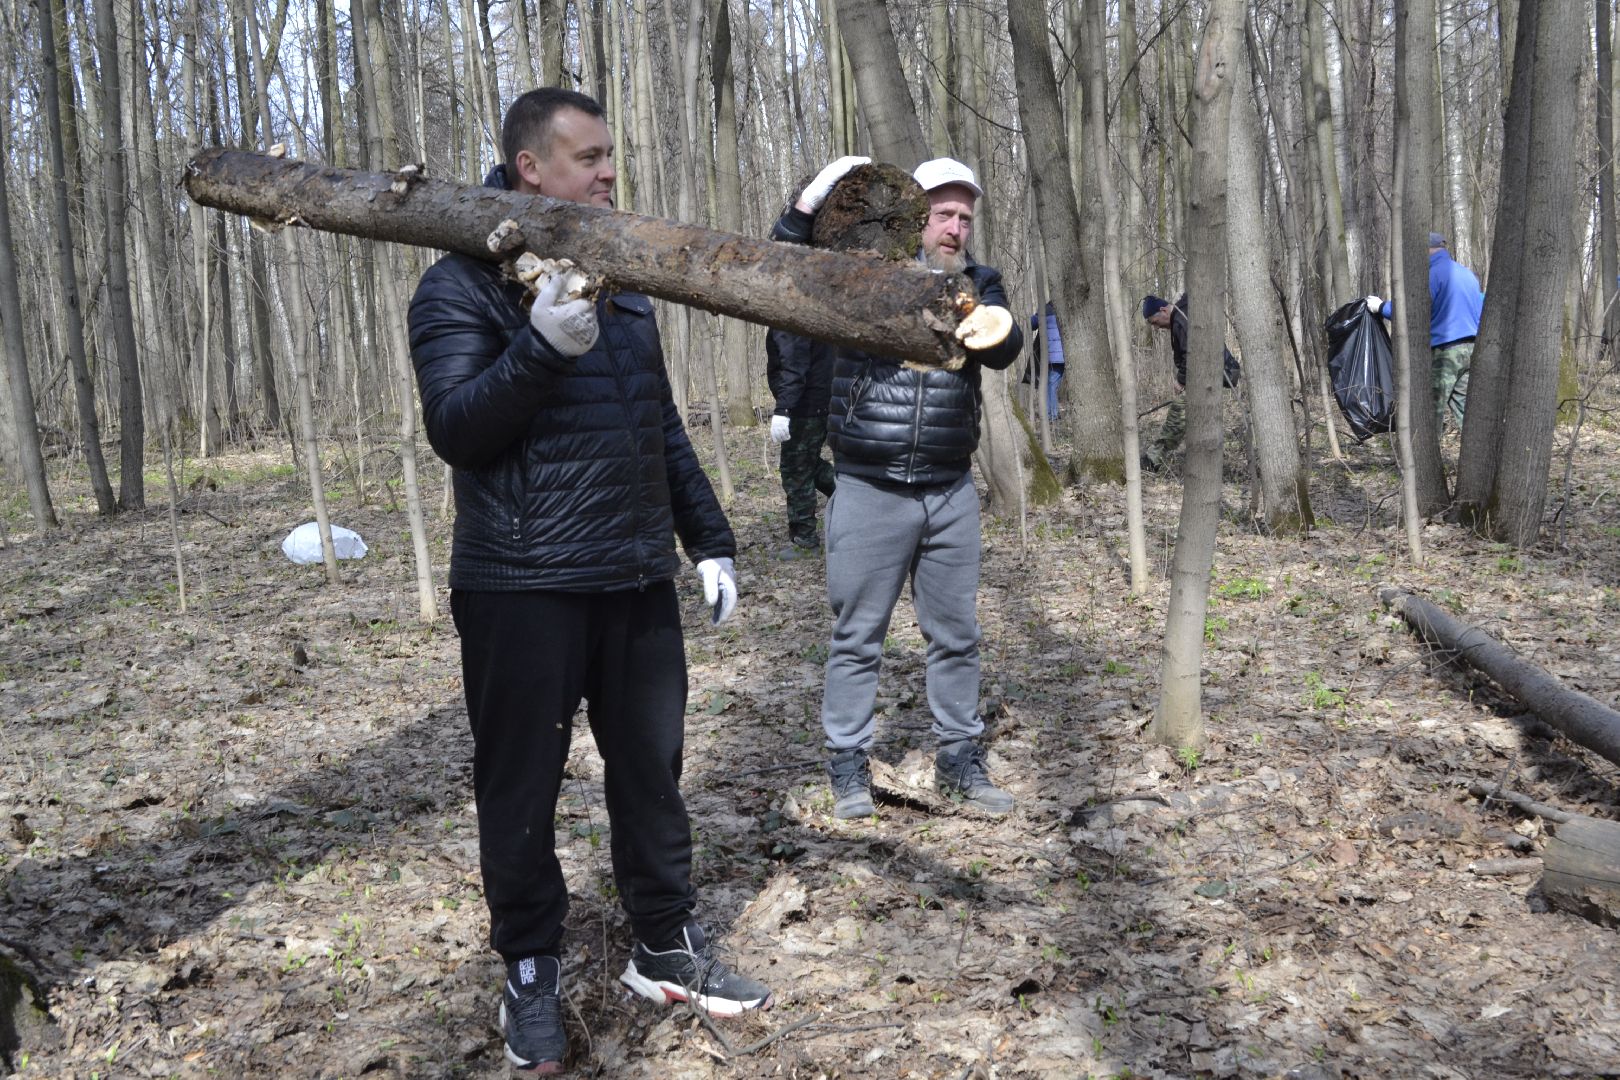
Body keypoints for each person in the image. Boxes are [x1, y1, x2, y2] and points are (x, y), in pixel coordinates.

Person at [408, 87, 771, 1075]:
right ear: (531, 168)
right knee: (520, 785)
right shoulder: (457, 287)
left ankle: (665, 945)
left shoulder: (623, 280)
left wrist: (710, 538)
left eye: (611, 154)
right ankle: (529, 969)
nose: (610, 172)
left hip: (634, 575)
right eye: (589, 157)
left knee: (651, 768)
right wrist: (537, 349)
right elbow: (458, 430)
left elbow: (656, 423)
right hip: (521, 585)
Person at [771, 155, 1024, 819]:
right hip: (868, 487)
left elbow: (1006, 344)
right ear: (914, 215)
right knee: (858, 637)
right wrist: (806, 207)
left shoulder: (978, 283)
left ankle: (960, 762)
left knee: (957, 635)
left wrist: (980, 318)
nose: (955, 228)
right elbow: (784, 268)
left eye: (965, 217)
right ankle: (847, 767)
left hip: (949, 490)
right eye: (942, 214)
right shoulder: (861, 278)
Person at [1366, 231, 1483, 431]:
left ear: (1427, 250)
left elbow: (1411, 310)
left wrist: (1381, 307)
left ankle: (1428, 452)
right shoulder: (1467, 274)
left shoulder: (1431, 276)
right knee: (1466, 411)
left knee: (1430, 412)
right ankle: (1478, 450)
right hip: (1472, 350)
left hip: (1446, 352)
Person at [1139, 292, 1240, 472]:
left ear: (1163, 310)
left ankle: (1152, 461)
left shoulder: (1182, 319)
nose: (1157, 327)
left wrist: (1181, 380)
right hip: (1215, 371)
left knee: (1179, 411)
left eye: (1155, 322)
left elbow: (1193, 354)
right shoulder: (1183, 314)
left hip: (1219, 370)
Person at [766, 327, 837, 559]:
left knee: (796, 470)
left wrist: (784, 409)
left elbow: (793, 364)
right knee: (807, 465)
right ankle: (854, 498)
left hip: (805, 405)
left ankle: (805, 540)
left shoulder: (789, 322)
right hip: (817, 401)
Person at [1025, 301, 1066, 422]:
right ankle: (1051, 415)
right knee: (1051, 385)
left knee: (1049, 385)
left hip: (1049, 357)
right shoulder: (1064, 308)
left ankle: (1051, 415)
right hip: (1061, 357)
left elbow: (1030, 324)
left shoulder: (1045, 310)